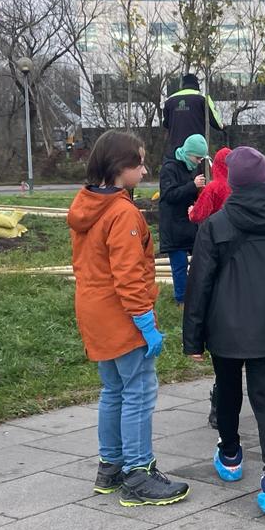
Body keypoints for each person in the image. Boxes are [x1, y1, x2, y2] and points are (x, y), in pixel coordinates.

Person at [68, 130, 190, 507]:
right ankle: (138, 472)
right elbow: (129, 276)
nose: (145, 169)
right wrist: (146, 323)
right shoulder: (123, 213)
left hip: (93, 309)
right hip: (121, 314)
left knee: (113, 390)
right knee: (138, 392)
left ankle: (111, 467)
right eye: (139, 162)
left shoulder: (86, 204)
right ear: (121, 167)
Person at [183, 145, 265, 516]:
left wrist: (193, 339)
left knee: (228, 389)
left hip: (225, 328)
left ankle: (231, 453)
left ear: (231, 182)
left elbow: (199, 284)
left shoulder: (214, 226)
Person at [158, 133, 209, 304]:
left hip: (189, 224)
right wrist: (192, 186)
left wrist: (200, 193)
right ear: (188, 153)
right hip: (173, 226)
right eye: (197, 158)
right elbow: (169, 195)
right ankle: (181, 300)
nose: (199, 162)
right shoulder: (169, 169)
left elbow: (192, 192)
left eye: (201, 158)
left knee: (201, 261)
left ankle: (198, 294)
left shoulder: (192, 167)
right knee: (179, 266)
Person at [161, 72, 224, 153]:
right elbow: (217, 124)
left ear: (183, 85)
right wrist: (223, 127)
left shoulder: (170, 100)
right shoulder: (203, 98)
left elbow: (165, 124)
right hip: (196, 150)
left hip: (176, 150)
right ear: (196, 84)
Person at [188, 146, 233, 227]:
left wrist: (192, 212)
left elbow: (199, 215)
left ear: (216, 164)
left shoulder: (213, 188)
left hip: (216, 229)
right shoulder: (238, 185)